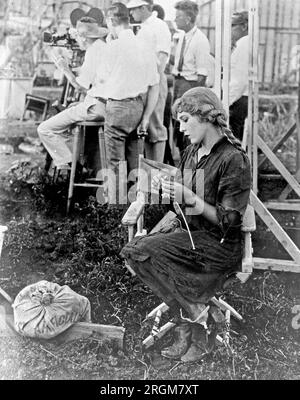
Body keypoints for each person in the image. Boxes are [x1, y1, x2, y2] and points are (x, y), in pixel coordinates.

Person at [121, 87, 251, 362]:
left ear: (206, 118)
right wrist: (167, 188)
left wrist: (188, 196)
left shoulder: (233, 159)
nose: (180, 128)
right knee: (135, 253)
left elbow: (229, 223)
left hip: (218, 245)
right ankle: (196, 316)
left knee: (144, 252)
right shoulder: (193, 151)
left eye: (184, 120)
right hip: (190, 234)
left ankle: (192, 328)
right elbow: (180, 196)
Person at [102, 3, 160, 203]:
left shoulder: (112, 47)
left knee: (116, 166)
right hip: (138, 107)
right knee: (135, 164)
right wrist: (145, 118)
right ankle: (137, 213)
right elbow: (155, 86)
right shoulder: (145, 47)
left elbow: (100, 81)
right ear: (128, 21)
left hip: (117, 108)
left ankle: (116, 218)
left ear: (111, 22)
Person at [37, 18, 108, 169]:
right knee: (71, 112)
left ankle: (72, 167)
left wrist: (64, 68)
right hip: (104, 105)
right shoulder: (102, 47)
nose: (76, 41)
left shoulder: (92, 52)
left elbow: (80, 87)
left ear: (83, 37)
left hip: (95, 108)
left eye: (77, 37)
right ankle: (77, 162)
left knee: (44, 129)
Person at [127, 0, 171, 163]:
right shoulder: (143, 27)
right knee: (145, 127)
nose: (131, 13)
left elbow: (162, 56)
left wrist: (154, 83)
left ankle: (157, 172)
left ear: (144, 8)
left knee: (155, 126)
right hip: (142, 82)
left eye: (133, 9)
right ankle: (148, 172)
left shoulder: (159, 26)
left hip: (154, 81)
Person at [172, 0, 213, 153]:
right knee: (177, 128)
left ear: (188, 19)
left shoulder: (200, 40)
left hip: (189, 86)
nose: (175, 19)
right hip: (178, 83)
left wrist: (191, 101)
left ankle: (190, 166)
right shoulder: (183, 36)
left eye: (178, 17)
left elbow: (202, 75)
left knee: (187, 129)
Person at [229, 10, 249, 141]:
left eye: (232, 25)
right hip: (240, 97)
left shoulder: (244, 44)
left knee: (235, 140)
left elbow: (239, 81)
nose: (229, 29)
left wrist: (225, 102)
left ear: (244, 26)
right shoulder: (244, 43)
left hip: (239, 99)